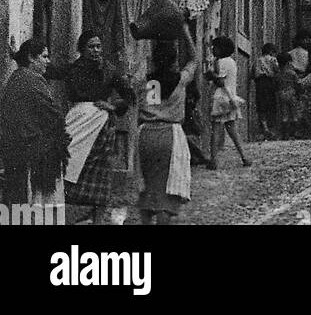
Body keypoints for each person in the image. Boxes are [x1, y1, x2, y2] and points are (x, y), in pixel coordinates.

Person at [48, 30, 134, 224]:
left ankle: (98, 220)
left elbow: (129, 95)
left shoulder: (110, 70)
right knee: (66, 163)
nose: (96, 50)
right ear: (81, 49)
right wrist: (17, 56)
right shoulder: (73, 69)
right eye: (91, 46)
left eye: (98, 46)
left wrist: (112, 106)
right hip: (77, 121)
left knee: (101, 173)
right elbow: (49, 70)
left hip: (101, 126)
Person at [0, 38, 70, 214]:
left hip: (12, 149)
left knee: (15, 201)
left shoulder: (16, 77)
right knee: (33, 203)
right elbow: (53, 116)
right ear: (32, 58)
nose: (47, 61)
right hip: (29, 151)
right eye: (44, 57)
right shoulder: (33, 81)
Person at [137, 25, 196, 225]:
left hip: (145, 133)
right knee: (166, 191)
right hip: (169, 134)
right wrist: (185, 32)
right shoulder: (180, 79)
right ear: (173, 61)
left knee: (149, 187)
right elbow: (194, 59)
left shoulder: (149, 82)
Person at [207, 36, 250, 169]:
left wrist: (210, 74)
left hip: (221, 98)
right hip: (231, 98)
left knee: (216, 130)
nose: (213, 50)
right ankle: (244, 157)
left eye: (215, 47)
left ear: (221, 49)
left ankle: (213, 160)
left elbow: (220, 81)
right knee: (233, 130)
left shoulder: (222, 62)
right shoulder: (231, 61)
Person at [253, 43, 279, 140]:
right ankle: (271, 129)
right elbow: (277, 69)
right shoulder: (273, 59)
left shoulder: (257, 60)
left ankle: (265, 128)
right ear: (271, 52)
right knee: (271, 105)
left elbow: (253, 72)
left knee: (261, 105)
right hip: (269, 82)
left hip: (260, 83)